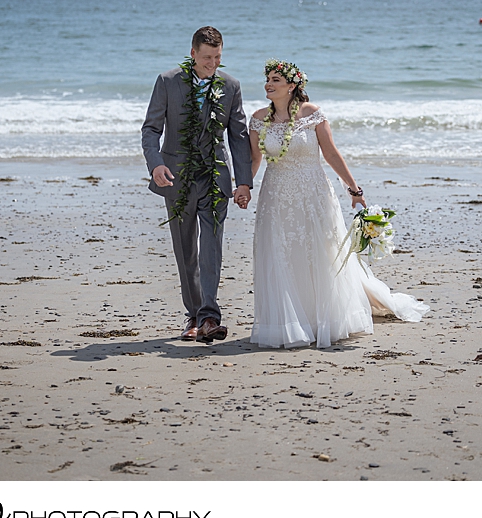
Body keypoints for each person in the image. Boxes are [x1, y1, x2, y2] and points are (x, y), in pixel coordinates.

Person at [247, 59, 428, 348]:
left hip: (313, 192)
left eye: (275, 80)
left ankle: (324, 319)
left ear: (292, 86)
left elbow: (331, 154)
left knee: (319, 252)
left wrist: (354, 189)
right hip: (276, 195)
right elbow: (255, 160)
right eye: (267, 78)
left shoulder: (312, 114)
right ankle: (291, 321)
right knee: (282, 253)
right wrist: (243, 186)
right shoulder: (257, 119)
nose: (268, 83)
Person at [141, 26, 253, 343]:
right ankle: (193, 314)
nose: (213, 63)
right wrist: (156, 165)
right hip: (175, 177)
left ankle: (208, 317)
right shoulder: (167, 82)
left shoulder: (231, 86)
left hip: (216, 178)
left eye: (218, 57)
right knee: (186, 249)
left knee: (212, 247)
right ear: (193, 54)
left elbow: (239, 137)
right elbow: (150, 130)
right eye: (207, 57)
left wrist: (244, 182)